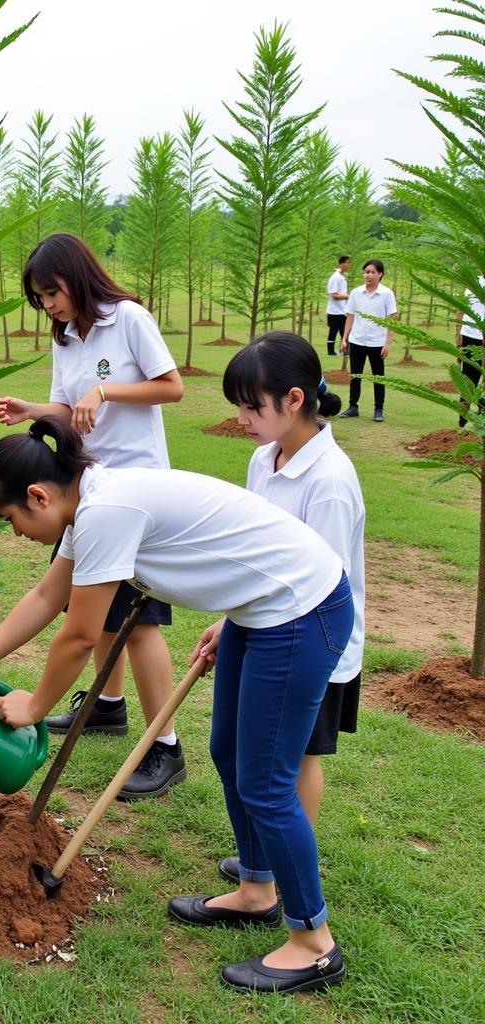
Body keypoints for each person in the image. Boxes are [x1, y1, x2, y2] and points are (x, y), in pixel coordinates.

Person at [0, 417, 353, 994]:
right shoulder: (90, 502)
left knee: (267, 782)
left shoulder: (105, 511)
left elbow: (79, 634)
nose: (17, 533)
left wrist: (36, 704)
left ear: (38, 495)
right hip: (261, 608)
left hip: (302, 610)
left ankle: (314, 945)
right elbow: (48, 595)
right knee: (229, 752)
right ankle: (257, 891)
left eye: (12, 521)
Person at [0, 232, 185, 799]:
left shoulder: (127, 318)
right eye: (40, 298)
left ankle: (165, 747)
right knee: (92, 602)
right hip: (85, 486)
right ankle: (108, 704)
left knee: (139, 621)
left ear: (77, 277)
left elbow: (171, 388)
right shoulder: (66, 336)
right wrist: (34, 409)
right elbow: (66, 405)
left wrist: (106, 391)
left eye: (52, 292)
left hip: (136, 490)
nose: (48, 305)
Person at [213, 332, 365, 885]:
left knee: (296, 760)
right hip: (263, 625)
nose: (242, 419)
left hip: (313, 644)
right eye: (239, 406)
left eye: (252, 406)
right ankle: (264, 863)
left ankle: (280, 871)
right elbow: (257, 556)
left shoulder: (328, 483)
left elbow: (319, 587)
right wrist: (227, 618)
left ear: (294, 400)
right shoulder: (263, 459)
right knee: (248, 753)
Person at [340, 259, 398, 422]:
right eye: (366, 272)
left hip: (377, 342)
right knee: (355, 375)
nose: (369, 275)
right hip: (357, 340)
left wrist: (388, 342)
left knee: (378, 376)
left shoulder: (387, 294)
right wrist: (344, 338)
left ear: (380, 274)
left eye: (373, 272)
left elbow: (391, 320)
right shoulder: (356, 293)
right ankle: (353, 406)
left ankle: (378, 409)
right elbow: (350, 316)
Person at [456, 275, 485, 427]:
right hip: (469, 335)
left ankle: (482, 408)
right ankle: (463, 420)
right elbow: (461, 307)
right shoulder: (473, 281)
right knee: (468, 380)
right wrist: (458, 333)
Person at [325, 255, 351, 356]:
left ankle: (345, 351)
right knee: (333, 332)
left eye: (349, 263)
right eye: (347, 263)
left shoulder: (342, 277)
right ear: (341, 263)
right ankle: (331, 352)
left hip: (342, 310)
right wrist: (348, 296)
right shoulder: (335, 277)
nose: (348, 265)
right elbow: (334, 295)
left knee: (344, 332)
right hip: (334, 311)